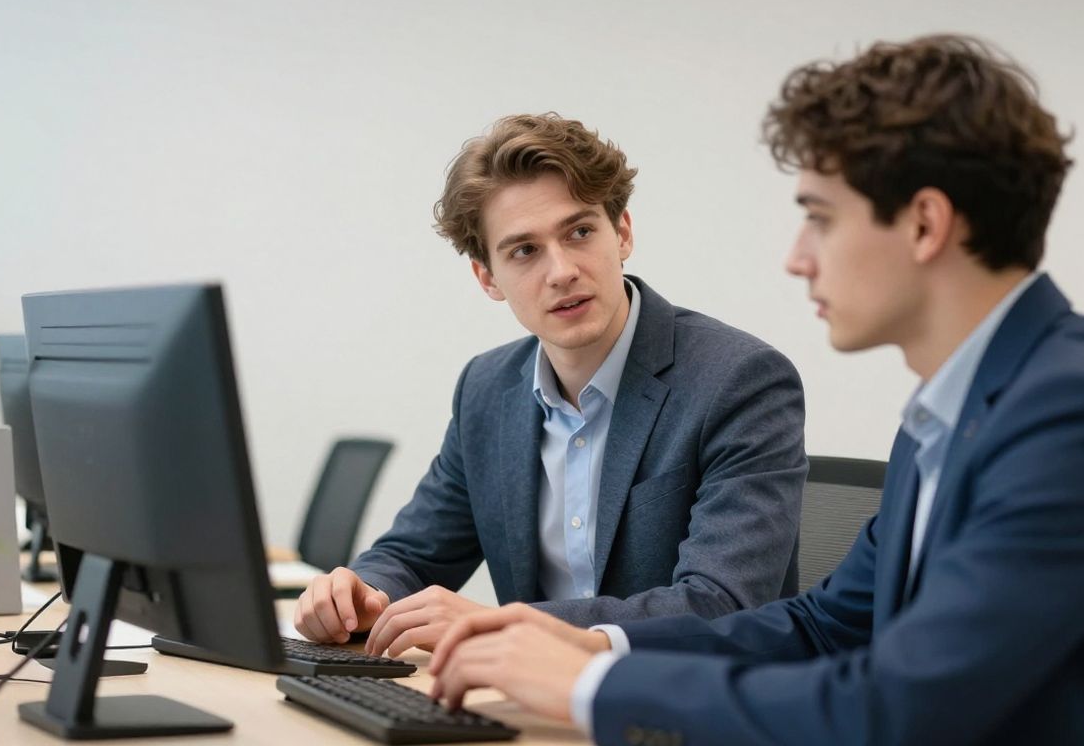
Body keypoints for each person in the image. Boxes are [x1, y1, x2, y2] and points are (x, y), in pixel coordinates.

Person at [428, 36, 1084, 745]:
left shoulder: (1074, 416)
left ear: (924, 224)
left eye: (821, 219)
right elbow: (826, 624)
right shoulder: (953, 410)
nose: (798, 258)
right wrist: (588, 644)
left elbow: (895, 711)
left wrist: (593, 686)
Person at [293, 113, 808, 658]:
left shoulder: (739, 380)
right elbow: (415, 555)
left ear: (623, 232)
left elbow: (720, 603)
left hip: (686, 709)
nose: (561, 271)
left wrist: (503, 627)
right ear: (487, 277)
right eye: (524, 251)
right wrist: (362, 592)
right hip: (535, 707)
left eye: (580, 232)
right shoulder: (486, 389)